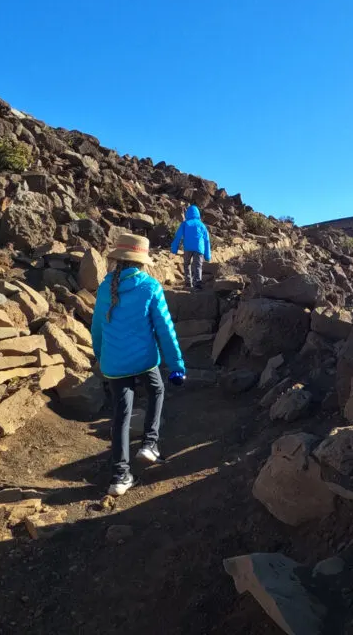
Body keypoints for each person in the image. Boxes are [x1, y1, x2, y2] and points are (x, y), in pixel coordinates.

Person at [91, 233, 185, 496]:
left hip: (114, 363)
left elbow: (97, 327)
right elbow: (165, 329)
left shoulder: (105, 286)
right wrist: (176, 364)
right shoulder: (150, 287)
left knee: (120, 415)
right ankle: (149, 444)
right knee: (156, 389)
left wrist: (100, 355)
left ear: (118, 259)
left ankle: (120, 476)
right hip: (145, 360)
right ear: (142, 261)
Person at [171, 204, 211, 289]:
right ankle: (198, 283)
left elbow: (178, 237)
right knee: (198, 265)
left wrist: (174, 250)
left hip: (188, 248)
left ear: (188, 213)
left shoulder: (185, 224)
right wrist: (207, 256)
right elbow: (207, 241)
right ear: (198, 214)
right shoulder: (202, 225)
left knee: (186, 265)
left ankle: (188, 283)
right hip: (199, 248)